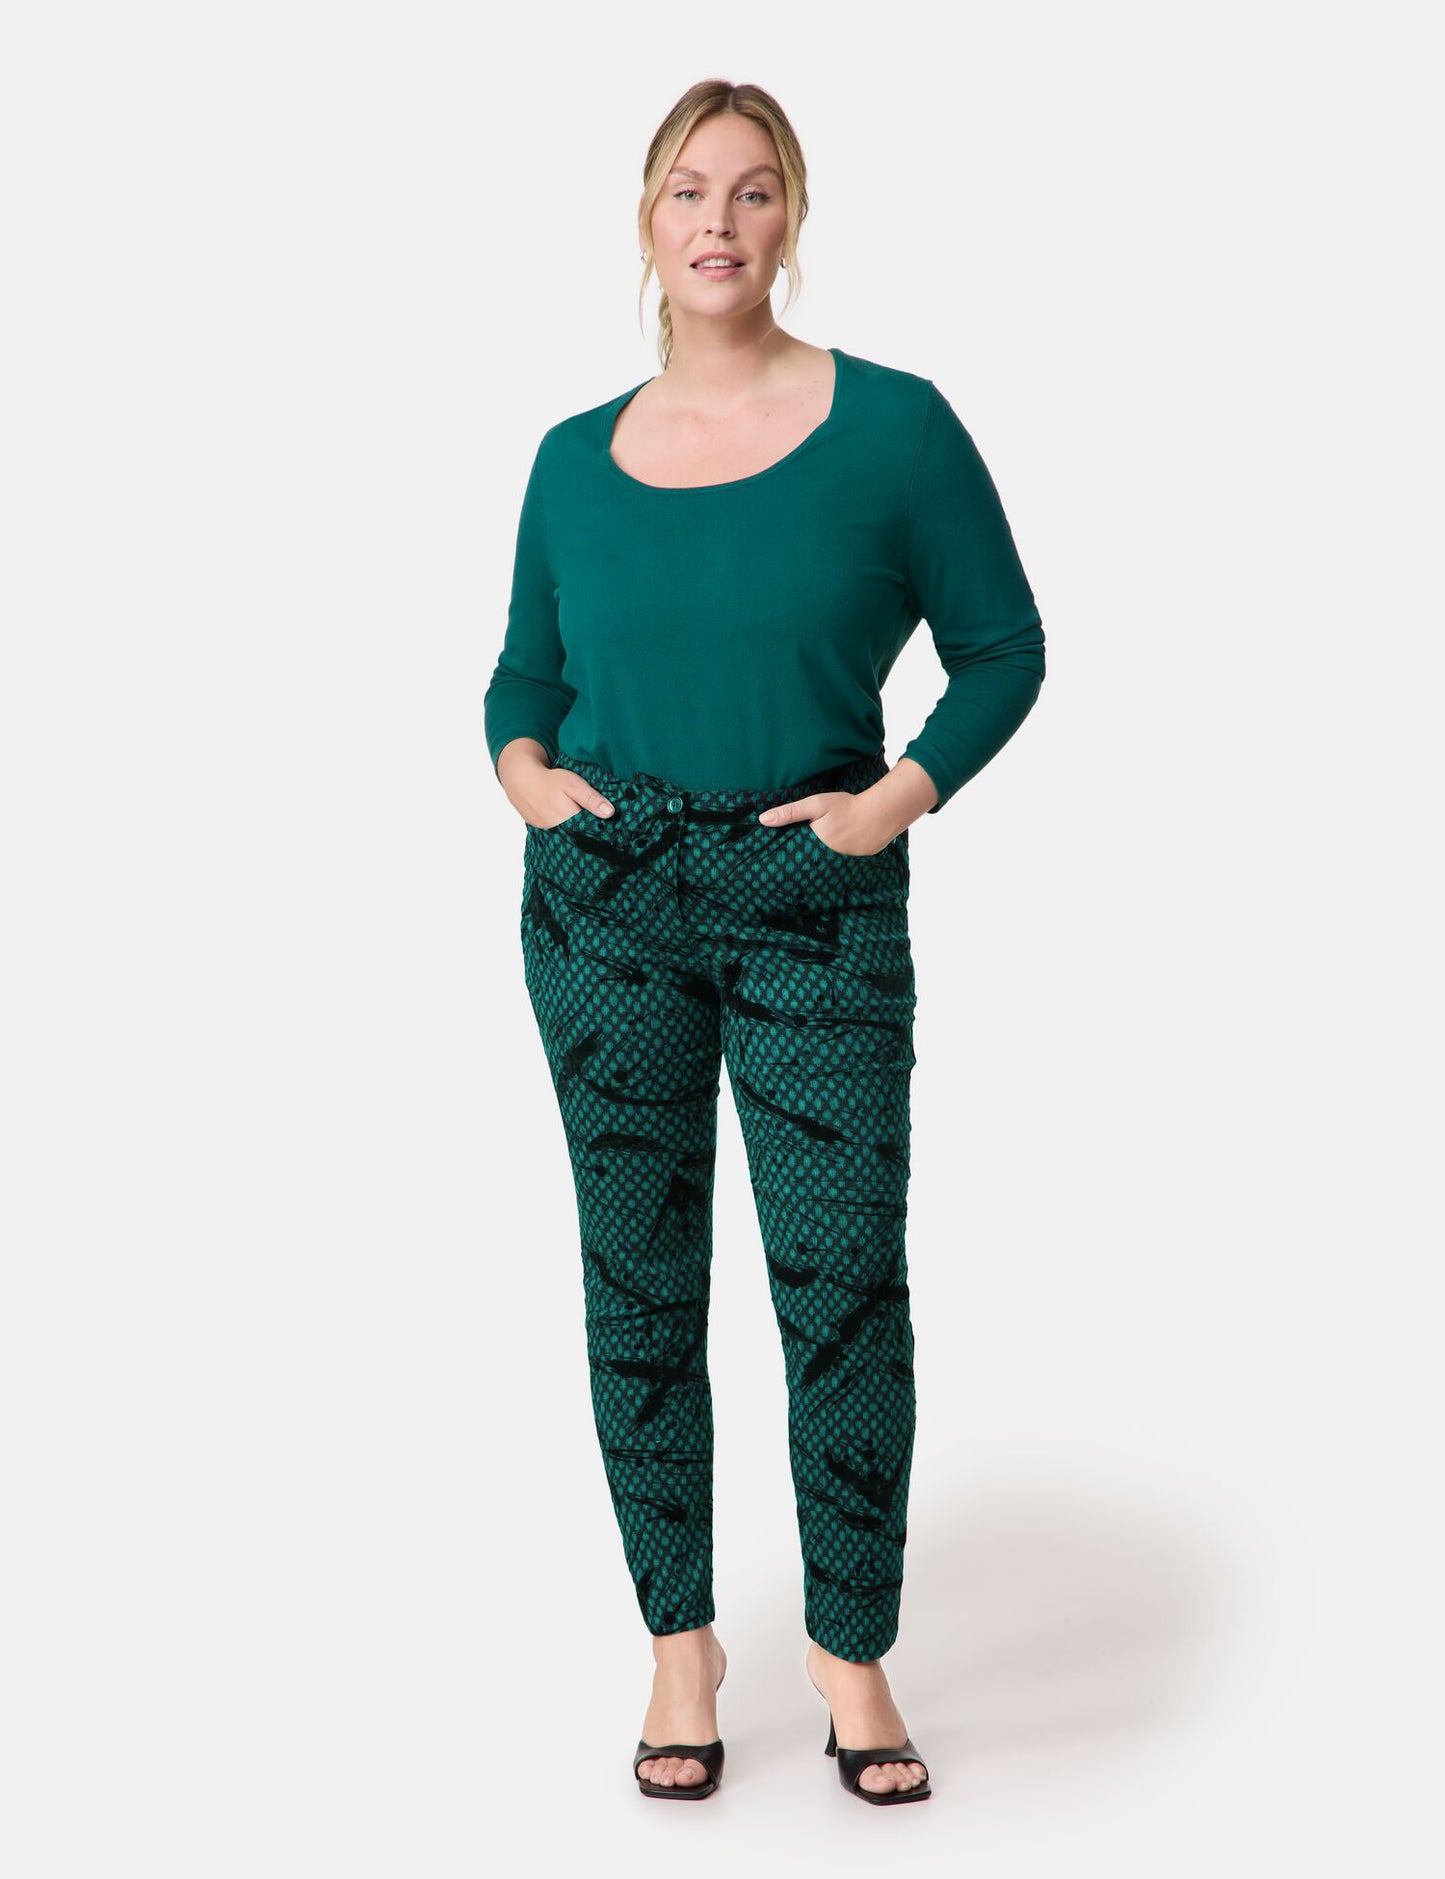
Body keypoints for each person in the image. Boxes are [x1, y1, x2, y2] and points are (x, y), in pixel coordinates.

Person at [483, 79, 1045, 1807]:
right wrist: (520, 771)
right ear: (645, 220)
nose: (715, 221)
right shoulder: (570, 457)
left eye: (749, 190)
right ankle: (680, 1646)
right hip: (603, 903)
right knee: (638, 1282)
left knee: (842, 1283)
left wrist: (895, 801)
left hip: (814, 898)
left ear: (791, 216)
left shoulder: (894, 428)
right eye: (685, 190)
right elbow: (524, 671)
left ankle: (850, 1654)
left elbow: (1004, 647)